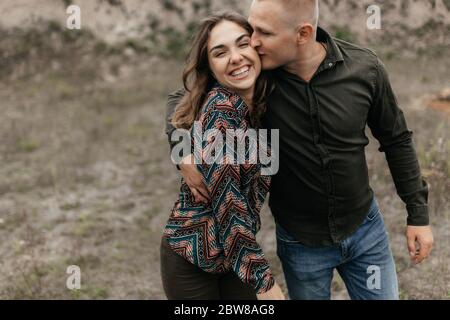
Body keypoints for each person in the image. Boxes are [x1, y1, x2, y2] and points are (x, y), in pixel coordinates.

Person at [165, 0, 434, 300]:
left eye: (261, 34)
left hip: (365, 229)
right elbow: (185, 97)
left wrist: (418, 214)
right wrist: (182, 151)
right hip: (299, 243)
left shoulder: (364, 69)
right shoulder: (256, 76)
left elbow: (396, 139)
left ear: (303, 34)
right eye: (251, 31)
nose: (253, 43)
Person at [160, 11, 285, 300]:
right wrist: (264, 284)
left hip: (233, 254)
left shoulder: (266, 97)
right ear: (211, 68)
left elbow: (179, 98)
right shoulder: (222, 112)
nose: (236, 57)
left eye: (243, 44)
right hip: (192, 256)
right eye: (220, 52)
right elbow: (229, 207)